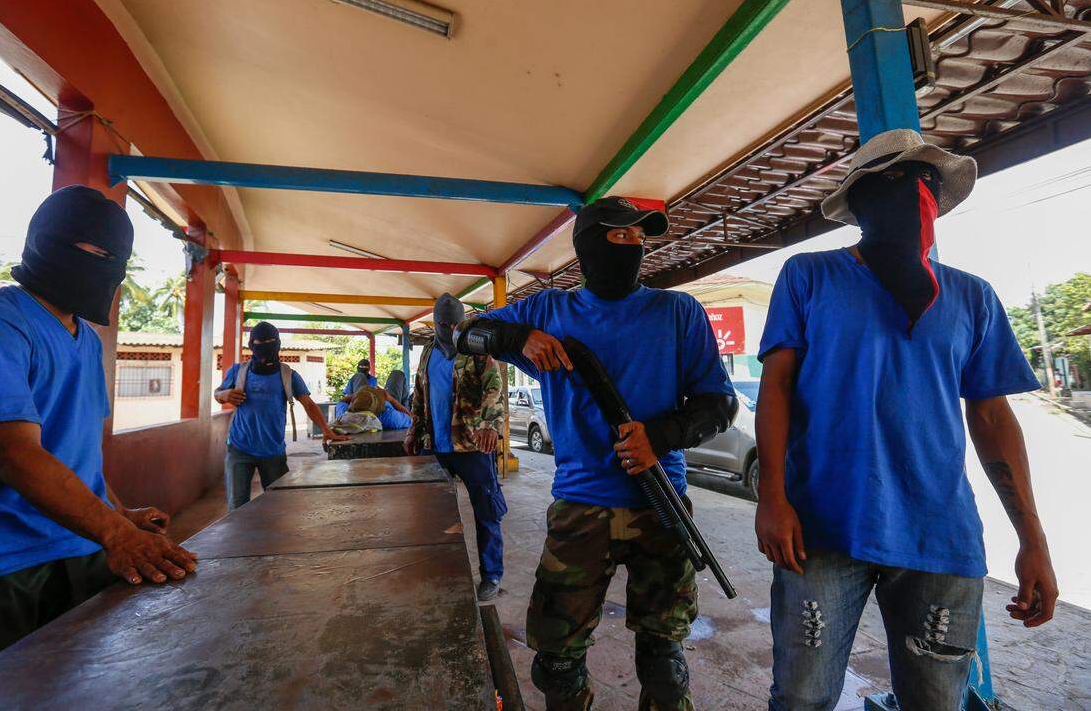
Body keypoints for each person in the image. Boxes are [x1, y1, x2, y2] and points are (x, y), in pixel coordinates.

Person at [754, 129, 1058, 711]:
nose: (916, 195)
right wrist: (772, 496)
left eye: (927, 183)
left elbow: (993, 417)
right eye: (898, 181)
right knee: (801, 696)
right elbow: (777, 388)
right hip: (820, 528)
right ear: (865, 198)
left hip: (939, 536)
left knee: (937, 701)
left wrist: (1033, 540)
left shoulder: (973, 298)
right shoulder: (809, 276)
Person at [455, 197, 737, 711]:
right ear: (587, 244)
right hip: (580, 505)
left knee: (665, 664)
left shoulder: (677, 311)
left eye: (639, 238)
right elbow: (464, 334)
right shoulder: (548, 309)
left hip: (662, 503)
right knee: (556, 664)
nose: (633, 245)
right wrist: (521, 336)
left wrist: (661, 435)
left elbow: (719, 404)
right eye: (620, 235)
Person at [0, 186, 198, 677]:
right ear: (47, 243)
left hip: (77, 548)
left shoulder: (85, 338)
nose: (110, 269)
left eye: (118, 259)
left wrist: (118, 511)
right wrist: (116, 534)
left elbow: (75, 448)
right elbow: (16, 454)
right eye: (97, 253)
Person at [404, 293, 507, 602]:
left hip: (472, 445)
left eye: (452, 323)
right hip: (435, 445)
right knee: (432, 515)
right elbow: (420, 394)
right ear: (434, 323)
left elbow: (494, 386)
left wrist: (491, 425)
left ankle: (491, 575)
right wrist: (413, 429)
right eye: (441, 323)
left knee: (486, 510)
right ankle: (439, 571)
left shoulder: (475, 347)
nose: (447, 328)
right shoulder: (427, 352)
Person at [214, 322, 341, 510]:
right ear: (251, 345)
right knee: (237, 506)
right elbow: (218, 393)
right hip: (239, 449)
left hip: (273, 452)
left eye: (270, 342)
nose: (264, 346)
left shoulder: (288, 375)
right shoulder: (238, 371)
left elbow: (308, 404)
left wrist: (326, 430)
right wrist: (224, 395)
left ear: (278, 344)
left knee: (278, 505)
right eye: (259, 342)